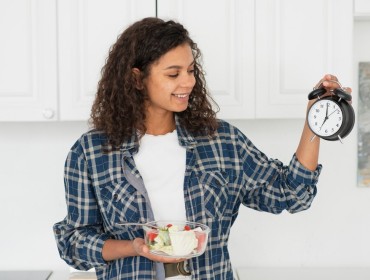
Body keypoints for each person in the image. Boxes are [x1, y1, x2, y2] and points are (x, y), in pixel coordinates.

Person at [53, 17, 351, 280]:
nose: (188, 82)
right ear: (136, 79)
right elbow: (73, 243)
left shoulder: (221, 141)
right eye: (173, 74)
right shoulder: (91, 153)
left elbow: (293, 193)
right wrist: (135, 247)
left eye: (191, 70)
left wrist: (315, 119)